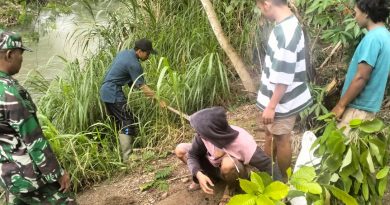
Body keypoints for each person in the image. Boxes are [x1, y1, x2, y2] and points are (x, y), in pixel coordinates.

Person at [0, 30, 76, 204]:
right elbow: (33, 139)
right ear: (10, 54)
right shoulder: (9, 93)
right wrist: (57, 173)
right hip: (29, 176)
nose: (22, 58)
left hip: (7, 176)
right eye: (21, 53)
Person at [175, 107, 282, 205]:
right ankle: (208, 177)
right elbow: (193, 154)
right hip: (213, 165)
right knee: (180, 150)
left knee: (228, 164)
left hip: (235, 170)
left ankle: (231, 188)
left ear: (211, 133)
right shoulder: (203, 136)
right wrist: (198, 173)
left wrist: (281, 190)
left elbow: (268, 164)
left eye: (199, 132)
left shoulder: (242, 143)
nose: (197, 134)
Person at [255, 0, 312, 178]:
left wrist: (271, 106)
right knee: (270, 134)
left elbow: (284, 76)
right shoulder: (285, 24)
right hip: (276, 99)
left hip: (281, 101)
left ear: (266, 4)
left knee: (282, 138)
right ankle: (267, 173)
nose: (260, 11)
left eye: (259, 7)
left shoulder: (286, 33)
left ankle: (282, 181)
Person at [100, 38, 166, 162]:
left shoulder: (124, 53)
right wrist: (159, 100)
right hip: (113, 92)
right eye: (148, 53)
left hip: (105, 91)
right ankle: (128, 157)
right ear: (140, 51)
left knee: (121, 122)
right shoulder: (134, 64)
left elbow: (131, 81)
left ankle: (122, 154)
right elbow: (143, 87)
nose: (149, 56)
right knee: (127, 121)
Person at [332, 0, 390, 132]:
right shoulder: (386, 36)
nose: (354, 17)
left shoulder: (372, 39)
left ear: (367, 13)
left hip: (357, 110)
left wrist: (341, 105)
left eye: (356, 13)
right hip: (369, 108)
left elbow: (361, 77)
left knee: (341, 149)